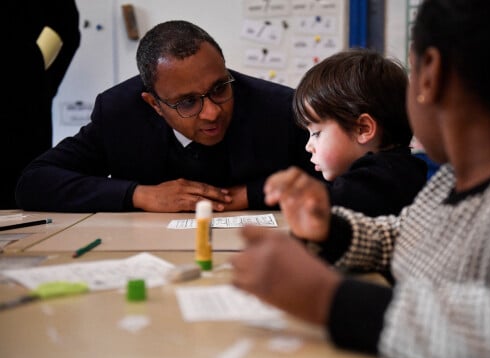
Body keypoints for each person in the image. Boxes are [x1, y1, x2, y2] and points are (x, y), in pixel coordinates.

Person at [230, 0, 490, 358]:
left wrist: (331, 300)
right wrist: (330, 228)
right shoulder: (450, 181)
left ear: (430, 74)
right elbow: (404, 236)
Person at [15, 20, 319, 213]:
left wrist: (252, 195)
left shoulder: (279, 107)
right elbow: (34, 182)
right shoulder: (119, 114)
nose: (212, 112)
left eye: (219, 88)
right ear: (154, 104)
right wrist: (139, 195)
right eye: (187, 103)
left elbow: (350, 187)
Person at [292, 49, 426, 216]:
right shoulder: (402, 168)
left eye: (317, 133)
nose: (308, 146)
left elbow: (324, 210)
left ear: (363, 129)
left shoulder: (379, 181)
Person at [2, 0, 80, 209]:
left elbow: (67, 30)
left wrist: (42, 82)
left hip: (21, 90)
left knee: (21, 182)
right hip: (28, 84)